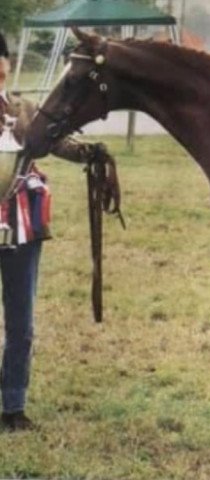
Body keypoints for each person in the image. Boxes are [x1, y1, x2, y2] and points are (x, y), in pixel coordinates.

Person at [0, 32, 119, 431]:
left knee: (22, 323)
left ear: (7, 66)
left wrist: (92, 154)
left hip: (22, 228)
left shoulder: (27, 111)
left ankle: (13, 406)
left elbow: (59, 142)